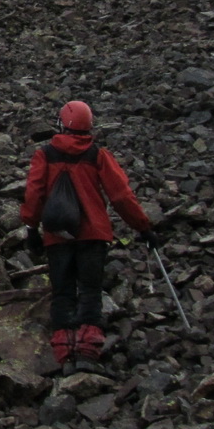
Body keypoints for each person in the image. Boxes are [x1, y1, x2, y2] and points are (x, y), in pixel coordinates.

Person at [20, 100, 155, 370]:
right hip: (94, 233)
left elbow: (34, 193)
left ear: (62, 123)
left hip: (58, 234)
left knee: (62, 292)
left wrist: (31, 227)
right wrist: (143, 227)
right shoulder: (98, 155)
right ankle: (88, 350)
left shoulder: (45, 154)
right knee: (91, 290)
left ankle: (63, 351)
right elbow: (121, 196)